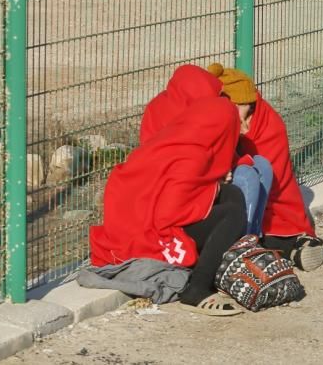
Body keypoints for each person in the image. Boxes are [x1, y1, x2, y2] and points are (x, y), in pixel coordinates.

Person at [140, 64, 323, 271]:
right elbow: (184, 166)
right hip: (184, 199)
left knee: (260, 165)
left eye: (249, 115)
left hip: (208, 186)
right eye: (240, 117)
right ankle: (240, 252)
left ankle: (252, 243)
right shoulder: (175, 115)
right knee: (246, 175)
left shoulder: (255, 120)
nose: (246, 127)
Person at [90, 96, 248, 316]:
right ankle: (198, 289)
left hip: (132, 223)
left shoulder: (173, 139)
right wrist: (215, 189)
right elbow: (170, 213)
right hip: (151, 233)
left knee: (232, 193)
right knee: (232, 213)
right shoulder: (194, 156)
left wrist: (216, 187)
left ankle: (221, 264)